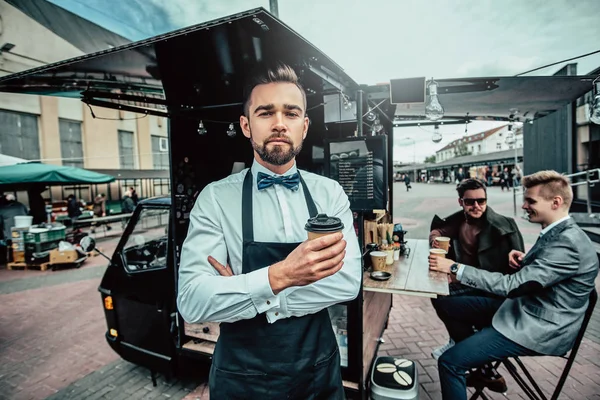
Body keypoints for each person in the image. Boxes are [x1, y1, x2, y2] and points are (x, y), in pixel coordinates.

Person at [177, 64, 361, 400]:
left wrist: (242, 288)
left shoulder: (329, 193)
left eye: (291, 113)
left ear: (304, 126)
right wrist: (282, 275)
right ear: (246, 125)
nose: (279, 123)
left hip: (318, 373)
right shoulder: (216, 198)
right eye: (265, 112)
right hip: (240, 379)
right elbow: (192, 301)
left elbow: (347, 283)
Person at [429, 170, 599, 400]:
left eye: (530, 201)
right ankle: (482, 365)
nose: (524, 206)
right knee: (445, 302)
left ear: (556, 202)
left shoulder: (568, 243)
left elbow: (512, 286)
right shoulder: (561, 233)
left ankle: (474, 360)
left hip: (537, 327)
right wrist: (525, 261)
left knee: (449, 362)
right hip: (524, 308)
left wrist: (454, 268)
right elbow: (545, 274)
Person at [428, 178, 524, 390]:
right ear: (461, 202)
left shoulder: (504, 227)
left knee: (444, 299)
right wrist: (435, 236)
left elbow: (519, 273)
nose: (477, 206)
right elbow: (441, 229)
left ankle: (471, 355)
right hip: (471, 284)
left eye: (481, 201)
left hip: (496, 295)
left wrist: (515, 260)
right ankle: (476, 360)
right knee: (437, 292)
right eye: (470, 202)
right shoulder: (460, 220)